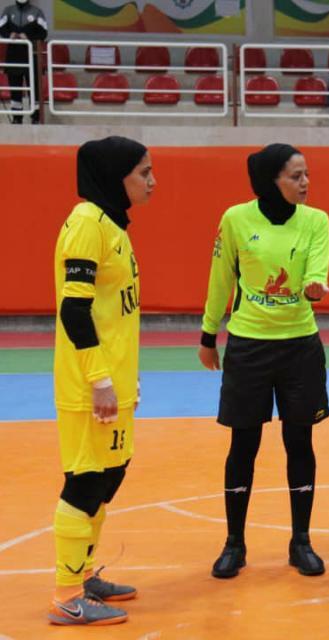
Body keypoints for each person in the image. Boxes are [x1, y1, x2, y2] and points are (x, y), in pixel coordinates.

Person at [198, 143, 329, 579]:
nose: (305, 182)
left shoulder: (316, 220)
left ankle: (301, 542)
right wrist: (208, 334)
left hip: (300, 347)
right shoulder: (236, 219)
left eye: (307, 174)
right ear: (271, 181)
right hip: (248, 346)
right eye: (296, 176)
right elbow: (221, 278)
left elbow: (317, 268)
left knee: (300, 443)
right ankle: (234, 544)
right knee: (243, 446)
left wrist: (314, 286)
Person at [49, 136, 156, 626]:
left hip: (115, 382)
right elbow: (74, 311)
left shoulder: (113, 224)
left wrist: (123, 378)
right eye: (144, 172)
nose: (152, 181)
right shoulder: (86, 225)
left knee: (111, 475)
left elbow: (115, 312)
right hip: (89, 386)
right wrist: (99, 379)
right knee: (86, 481)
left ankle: (85, 574)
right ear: (116, 177)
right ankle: (67, 594)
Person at [0, 0, 47, 124]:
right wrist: (9, 35)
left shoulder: (37, 12)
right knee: (15, 87)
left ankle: (36, 116)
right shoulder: (8, 11)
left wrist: (28, 37)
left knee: (35, 87)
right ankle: (17, 117)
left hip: (32, 55)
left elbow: (43, 32)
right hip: (13, 56)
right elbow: (1, 27)